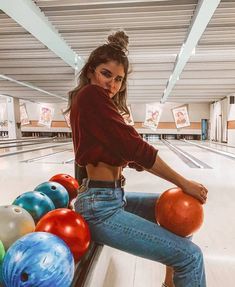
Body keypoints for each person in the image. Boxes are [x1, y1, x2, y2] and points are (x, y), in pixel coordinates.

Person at [67, 31, 208, 287]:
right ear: (90, 71)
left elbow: (115, 147)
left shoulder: (94, 102)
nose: (111, 85)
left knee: (177, 211)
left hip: (109, 199)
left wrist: (132, 160)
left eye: (118, 79)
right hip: (100, 210)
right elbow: (133, 146)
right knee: (190, 257)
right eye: (106, 74)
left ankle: (170, 283)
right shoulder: (91, 95)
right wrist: (183, 181)